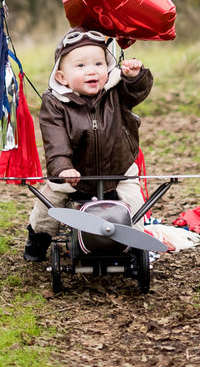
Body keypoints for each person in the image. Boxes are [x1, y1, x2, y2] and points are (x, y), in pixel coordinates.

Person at [23, 28, 153, 262]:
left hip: (118, 170)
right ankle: (38, 237)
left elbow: (136, 94)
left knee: (134, 205)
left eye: (98, 63)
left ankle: (135, 245)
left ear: (108, 66)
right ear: (62, 77)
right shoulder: (55, 103)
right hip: (74, 174)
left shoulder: (115, 90)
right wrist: (63, 168)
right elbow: (55, 140)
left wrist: (134, 78)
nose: (91, 71)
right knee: (49, 203)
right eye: (80, 66)